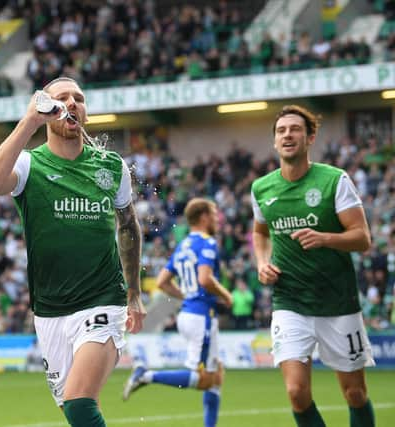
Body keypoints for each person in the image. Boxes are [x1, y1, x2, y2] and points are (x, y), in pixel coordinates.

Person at [0, 77, 146, 427]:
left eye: (79, 98)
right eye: (62, 98)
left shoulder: (111, 166)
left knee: (79, 404)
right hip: (50, 309)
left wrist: (134, 293)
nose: (72, 103)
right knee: (75, 411)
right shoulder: (28, 165)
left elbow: (128, 226)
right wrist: (30, 121)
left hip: (103, 299)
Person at [251, 105, 375, 427]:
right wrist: (262, 262)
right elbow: (260, 232)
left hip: (337, 301)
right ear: (275, 141)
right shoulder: (261, 188)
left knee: (355, 394)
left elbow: (362, 238)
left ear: (310, 138)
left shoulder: (335, 180)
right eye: (281, 131)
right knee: (296, 392)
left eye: (294, 129)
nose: (287, 135)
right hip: (290, 301)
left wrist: (324, 238)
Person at [122, 198, 233, 427]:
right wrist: (225, 295)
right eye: (213, 215)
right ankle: (146, 374)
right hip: (201, 317)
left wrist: (187, 295)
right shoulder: (207, 243)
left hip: (190, 313)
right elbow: (204, 278)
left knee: (214, 379)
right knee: (200, 378)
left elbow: (162, 281)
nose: (217, 219)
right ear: (203, 217)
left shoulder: (183, 246)